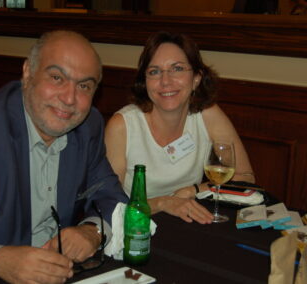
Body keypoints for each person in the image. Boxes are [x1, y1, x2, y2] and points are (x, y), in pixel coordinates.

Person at [0, 30, 128, 284]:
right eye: (56, 77)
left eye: (84, 85)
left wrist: (92, 231)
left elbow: (111, 196)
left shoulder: (88, 126)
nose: (69, 98)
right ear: (27, 73)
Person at [105, 31, 255, 225]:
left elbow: (245, 178)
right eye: (154, 71)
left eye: (177, 68)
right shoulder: (122, 126)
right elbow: (111, 206)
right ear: (145, 82)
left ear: (196, 79)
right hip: (135, 231)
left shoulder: (208, 114)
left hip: (185, 224)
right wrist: (162, 203)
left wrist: (193, 190)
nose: (165, 81)